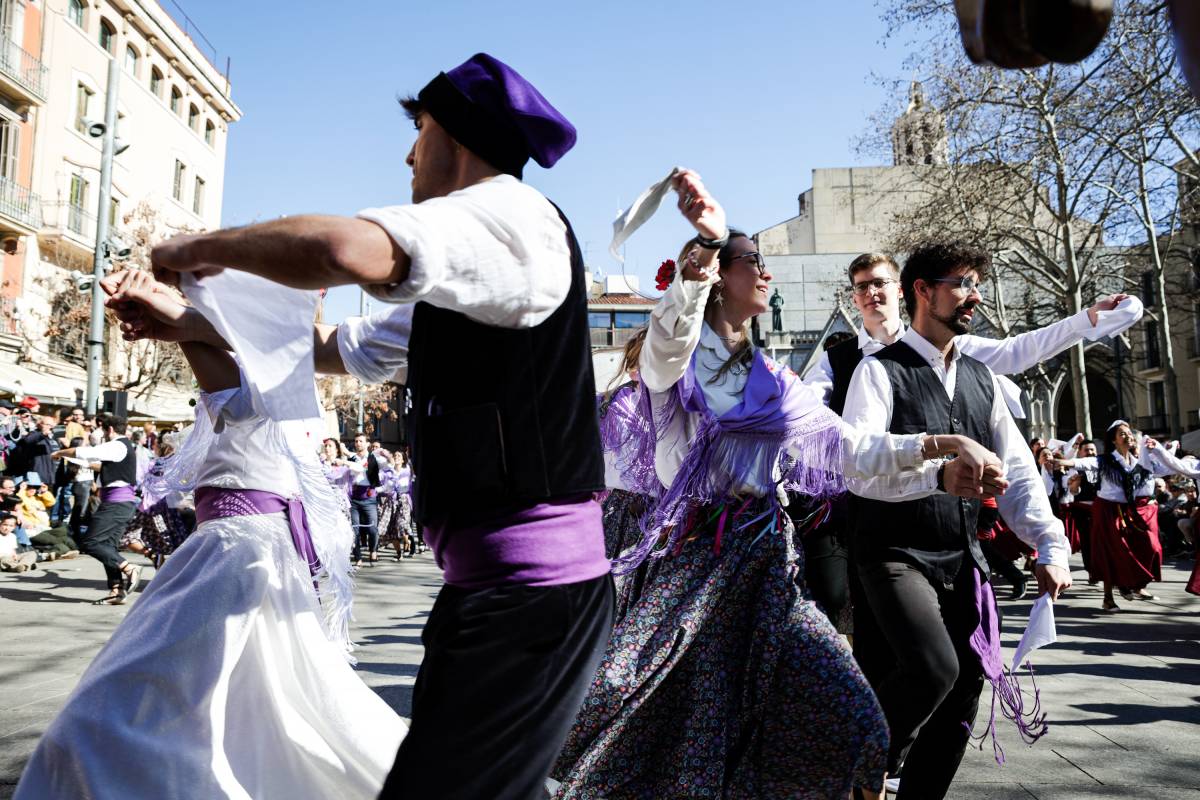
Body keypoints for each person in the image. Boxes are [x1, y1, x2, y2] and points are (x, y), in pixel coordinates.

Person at [106, 53, 612, 800]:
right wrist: (185, 322)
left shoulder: (510, 217)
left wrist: (197, 249)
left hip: (534, 596)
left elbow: (338, 249)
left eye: (422, 130)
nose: (410, 153)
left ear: (460, 139)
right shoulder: (459, 272)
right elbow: (329, 350)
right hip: (492, 592)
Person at [556, 173, 1007, 799]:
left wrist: (939, 454)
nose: (766, 274)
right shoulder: (683, 364)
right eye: (754, 262)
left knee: (852, 716)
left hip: (767, 568)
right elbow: (666, 344)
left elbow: (850, 448)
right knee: (683, 735)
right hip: (695, 571)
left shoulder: (775, 381)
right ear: (718, 278)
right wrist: (706, 248)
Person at [15, 267, 406, 800]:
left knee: (116, 708)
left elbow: (199, 337)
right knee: (273, 702)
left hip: (238, 549)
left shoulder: (274, 378)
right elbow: (195, 333)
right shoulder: (282, 379)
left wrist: (169, 305)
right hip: (253, 547)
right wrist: (166, 304)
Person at [842, 241, 1072, 800]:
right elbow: (856, 462)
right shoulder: (877, 373)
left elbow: (1017, 471)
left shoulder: (982, 378)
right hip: (892, 552)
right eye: (961, 284)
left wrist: (1050, 543)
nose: (973, 297)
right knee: (932, 668)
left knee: (968, 688)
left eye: (975, 284)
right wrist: (935, 472)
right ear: (922, 290)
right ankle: (857, 769)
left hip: (960, 554)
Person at [1057, 421, 1198, 610]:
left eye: (1129, 433)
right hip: (1107, 510)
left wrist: (1176, 455)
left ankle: (1130, 585)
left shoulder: (1138, 461)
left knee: (1152, 547)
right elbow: (1086, 463)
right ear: (1114, 441)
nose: (1128, 436)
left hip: (1129, 511)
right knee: (1111, 552)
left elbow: (1169, 467)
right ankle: (1108, 598)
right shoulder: (1105, 460)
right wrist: (1064, 462)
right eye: (1122, 434)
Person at [52, 415, 142, 605]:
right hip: (120, 503)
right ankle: (116, 590)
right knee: (107, 546)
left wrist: (60, 453)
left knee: (91, 543)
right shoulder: (122, 448)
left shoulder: (117, 445)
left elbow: (85, 452)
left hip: (116, 504)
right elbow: (99, 465)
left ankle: (129, 567)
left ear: (109, 430)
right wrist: (74, 459)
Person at [346, 432, 384, 566]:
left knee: (373, 528)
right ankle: (358, 557)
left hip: (369, 498)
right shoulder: (351, 459)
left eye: (361, 441)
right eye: (356, 441)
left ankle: (373, 550)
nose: (358, 443)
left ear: (367, 444)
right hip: (354, 499)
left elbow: (386, 465)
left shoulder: (374, 458)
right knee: (354, 529)